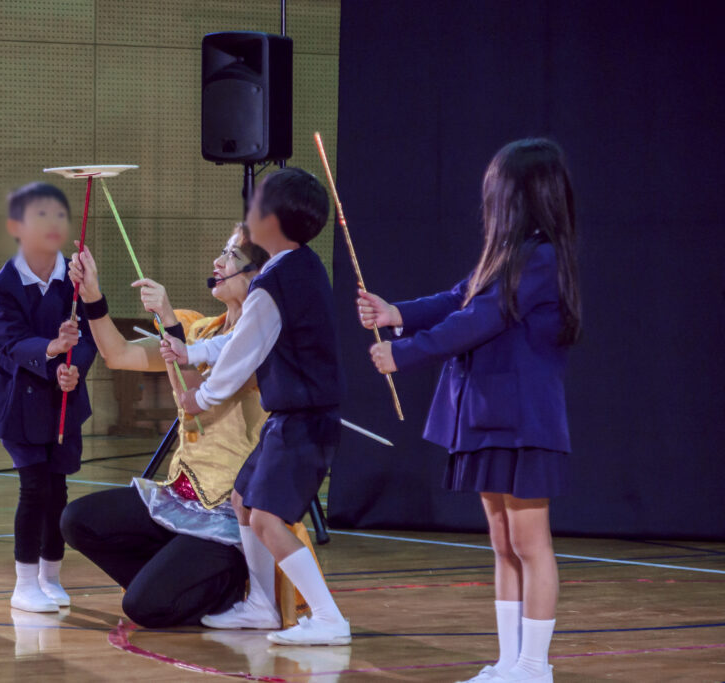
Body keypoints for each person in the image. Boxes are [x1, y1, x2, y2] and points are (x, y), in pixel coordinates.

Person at [358, 139, 580, 683]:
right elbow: (458, 299)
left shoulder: (542, 257)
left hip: (524, 420)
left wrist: (403, 353)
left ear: (520, 194)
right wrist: (397, 314)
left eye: (496, 186)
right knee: (503, 543)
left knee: (530, 543)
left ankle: (534, 667)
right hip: (485, 415)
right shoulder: (505, 255)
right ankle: (509, 664)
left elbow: (477, 321)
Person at [165, 167, 350, 646]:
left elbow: (244, 351)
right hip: (292, 418)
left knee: (267, 518)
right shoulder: (294, 267)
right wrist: (193, 352)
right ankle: (263, 605)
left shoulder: (276, 283)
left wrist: (198, 399)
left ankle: (329, 617)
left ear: (273, 220)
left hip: (305, 421)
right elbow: (239, 339)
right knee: (243, 501)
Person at [60, 222, 271, 628]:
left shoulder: (261, 342)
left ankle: (223, 585)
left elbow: (196, 398)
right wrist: (93, 297)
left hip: (225, 513)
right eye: (223, 251)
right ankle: (175, 578)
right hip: (178, 497)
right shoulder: (197, 327)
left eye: (231, 255)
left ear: (256, 275)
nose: (218, 261)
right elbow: (118, 354)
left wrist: (169, 320)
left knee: (142, 608)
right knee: (77, 521)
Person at [0, 182, 97, 613]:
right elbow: (11, 342)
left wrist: (74, 365)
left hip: (64, 394)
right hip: (18, 398)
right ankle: (24, 583)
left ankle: (50, 574)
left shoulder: (76, 280)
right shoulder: (2, 286)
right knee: (35, 486)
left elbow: (91, 333)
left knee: (58, 488)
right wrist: (52, 351)